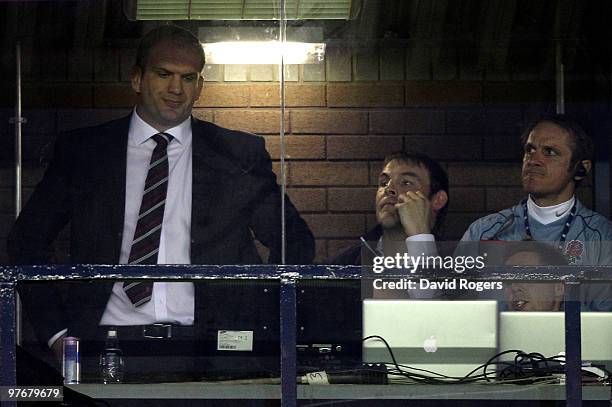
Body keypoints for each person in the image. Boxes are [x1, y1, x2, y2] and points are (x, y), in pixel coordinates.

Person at [8, 25, 314, 381]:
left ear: (199, 86)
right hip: (105, 348)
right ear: (137, 79)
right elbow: (26, 242)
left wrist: (260, 323)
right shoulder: (86, 152)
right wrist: (57, 334)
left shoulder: (237, 154)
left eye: (188, 78)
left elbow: (294, 240)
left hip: (213, 353)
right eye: (163, 74)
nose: (175, 89)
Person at [459, 114, 612, 310]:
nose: (533, 160)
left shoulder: (602, 236)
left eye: (549, 152)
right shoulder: (484, 231)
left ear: (581, 168)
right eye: (530, 150)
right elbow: (457, 309)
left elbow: (605, 324)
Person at [329, 151, 449, 298]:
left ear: (438, 200)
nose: (389, 189)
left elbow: (436, 317)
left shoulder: (461, 260)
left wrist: (420, 237)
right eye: (383, 183)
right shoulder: (343, 265)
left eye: (406, 182)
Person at [503, 241, 567, 312]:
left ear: (559, 288)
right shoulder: (493, 322)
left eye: (525, 277)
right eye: (509, 281)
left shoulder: (577, 322)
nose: (514, 288)